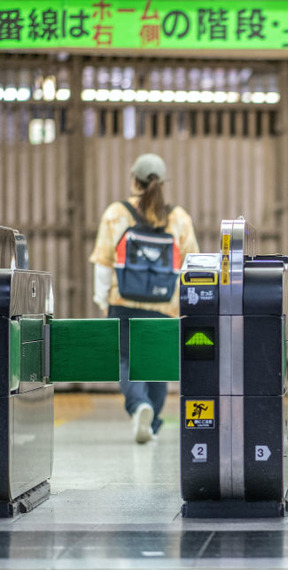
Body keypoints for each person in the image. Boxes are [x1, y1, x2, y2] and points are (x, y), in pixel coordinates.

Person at [90, 153, 199, 444]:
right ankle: (153, 421)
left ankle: (140, 406)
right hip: (165, 306)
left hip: (123, 302)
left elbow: (103, 262)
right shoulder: (179, 218)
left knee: (125, 359)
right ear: (162, 183)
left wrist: (103, 302)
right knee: (157, 366)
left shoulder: (117, 212)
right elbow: (191, 267)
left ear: (134, 181)